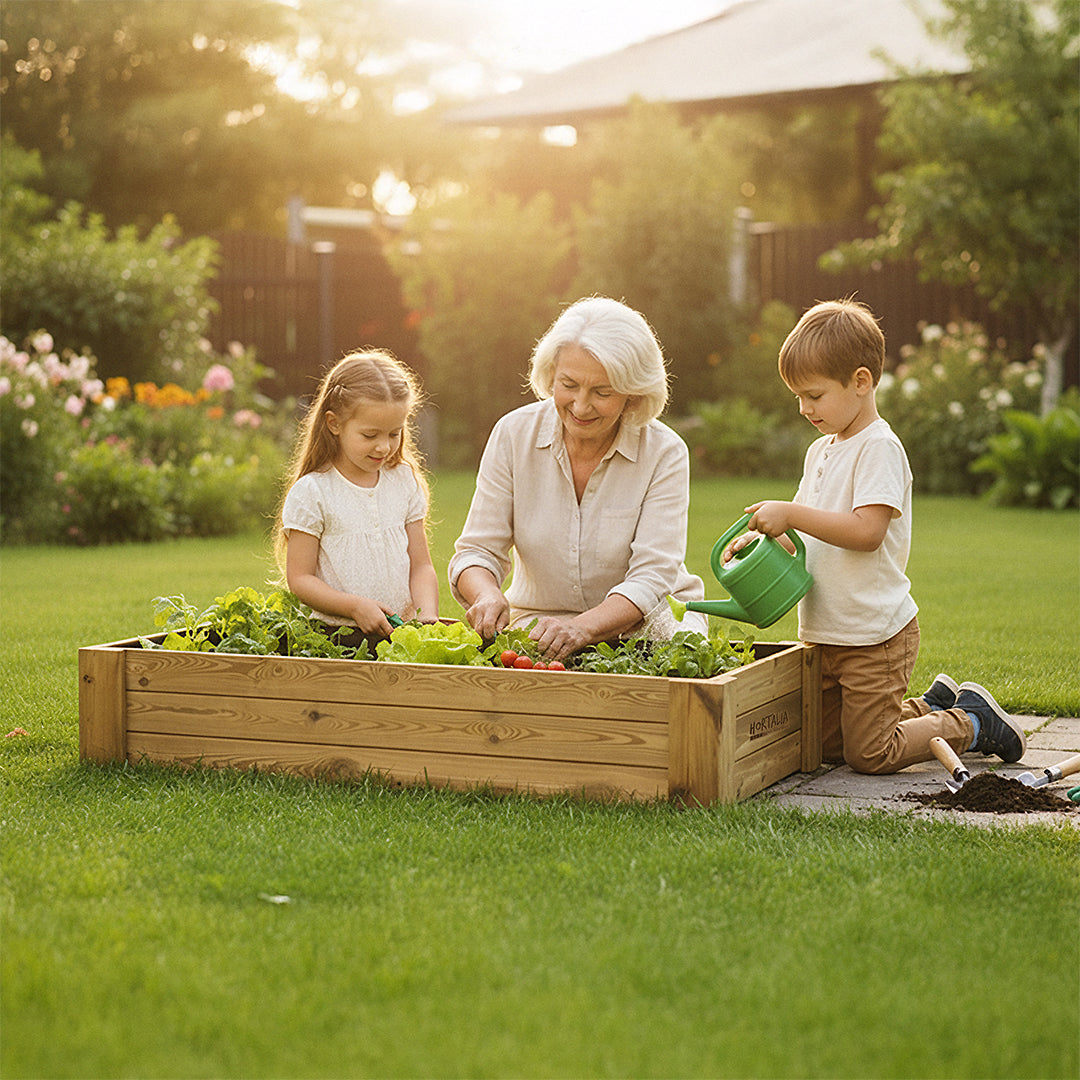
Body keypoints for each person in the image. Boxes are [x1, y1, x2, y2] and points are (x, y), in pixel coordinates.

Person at [722, 298, 1026, 774]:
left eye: (815, 396)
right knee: (823, 745)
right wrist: (766, 540)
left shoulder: (879, 448)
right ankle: (929, 707)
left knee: (870, 754)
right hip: (825, 633)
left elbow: (867, 532)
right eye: (797, 398)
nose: (804, 409)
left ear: (861, 381)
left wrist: (792, 514)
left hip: (873, 635)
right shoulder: (820, 450)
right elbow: (806, 539)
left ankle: (971, 721)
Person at [449, 296, 707, 662]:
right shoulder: (513, 434)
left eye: (602, 392)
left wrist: (583, 628)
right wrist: (488, 594)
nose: (581, 406)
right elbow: (476, 552)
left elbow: (652, 576)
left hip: (649, 619)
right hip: (542, 620)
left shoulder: (664, 452)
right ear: (551, 374)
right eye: (568, 384)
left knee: (681, 660)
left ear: (633, 394)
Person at [274, 349, 439, 640]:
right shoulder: (314, 492)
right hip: (334, 638)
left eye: (394, 433)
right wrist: (353, 607)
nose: (384, 447)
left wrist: (427, 616)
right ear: (334, 424)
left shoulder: (403, 480)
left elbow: (421, 564)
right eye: (370, 435)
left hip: (399, 634)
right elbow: (300, 578)